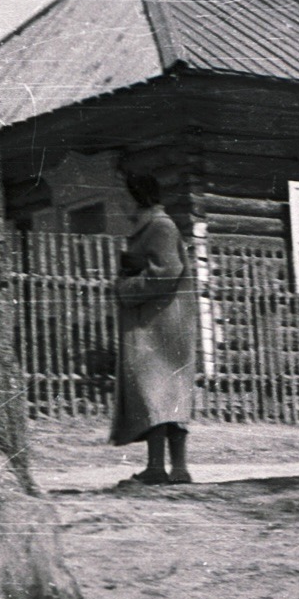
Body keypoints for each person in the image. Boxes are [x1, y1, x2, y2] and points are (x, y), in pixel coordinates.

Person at [110, 172, 197, 484]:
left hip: (162, 327)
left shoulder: (160, 226)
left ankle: (174, 468)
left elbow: (167, 272)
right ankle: (162, 468)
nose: (121, 203)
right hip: (154, 324)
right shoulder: (149, 227)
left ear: (138, 196)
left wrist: (125, 287)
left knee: (159, 397)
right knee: (159, 398)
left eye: (123, 196)